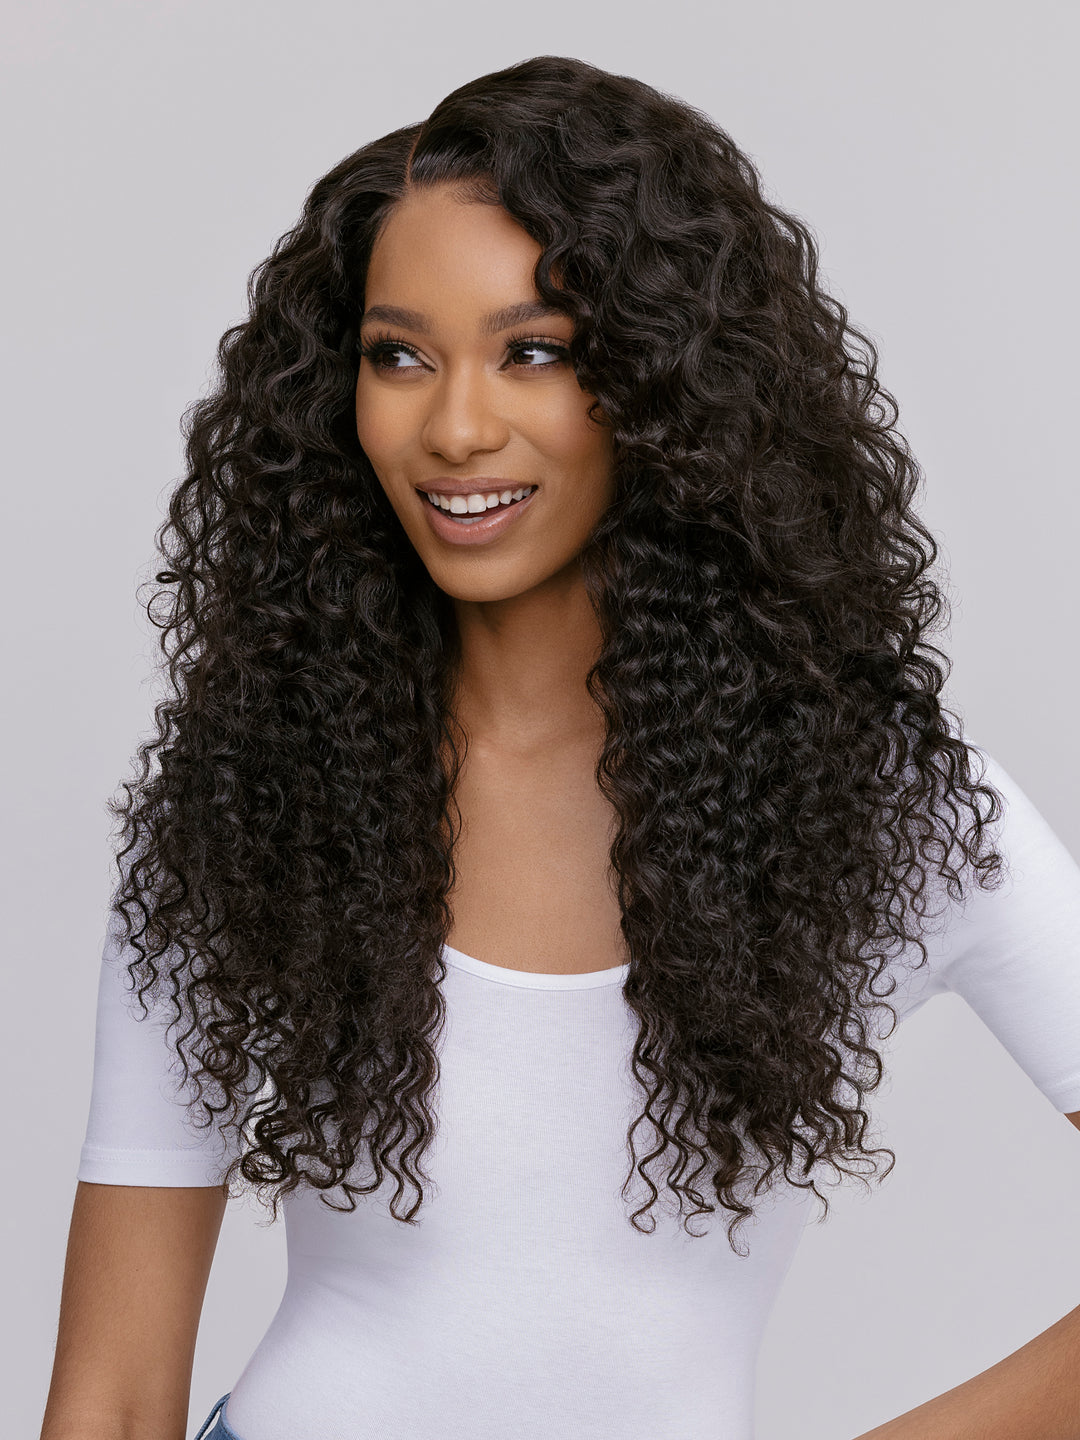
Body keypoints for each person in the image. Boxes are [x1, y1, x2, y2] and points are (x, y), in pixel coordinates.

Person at [41, 54, 1080, 1440]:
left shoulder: (886, 805)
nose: (455, 425)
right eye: (398, 355)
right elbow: (110, 1400)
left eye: (535, 351)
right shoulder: (255, 793)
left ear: (666, 386)